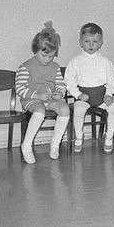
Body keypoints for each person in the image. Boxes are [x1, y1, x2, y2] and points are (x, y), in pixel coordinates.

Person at [16, 21, 70, 164]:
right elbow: (20, 88)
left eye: (51, 56)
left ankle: (55, 144)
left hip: (50, 98)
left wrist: (59, 93)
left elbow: (60, 84)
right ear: (36, 50)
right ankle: (26, 145)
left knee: (64, 109)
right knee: (39, 110)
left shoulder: (55, 67)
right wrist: (36, 96)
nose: (48, 59)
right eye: (44, 55)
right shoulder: (25, 66)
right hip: (31, 99)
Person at [64, 23, 114, 154]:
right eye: (87, 41)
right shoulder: (75, 61)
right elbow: (69, 81)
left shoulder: (105, 61)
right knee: (78, 110)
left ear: (100, 43)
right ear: (81, 43)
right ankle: (79, 137)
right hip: (84, 95)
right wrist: (77, 94)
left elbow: (111, 80)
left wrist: (109, 94)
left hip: (101, 95)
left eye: (95, 41)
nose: (91, 45)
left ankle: (109, 138)